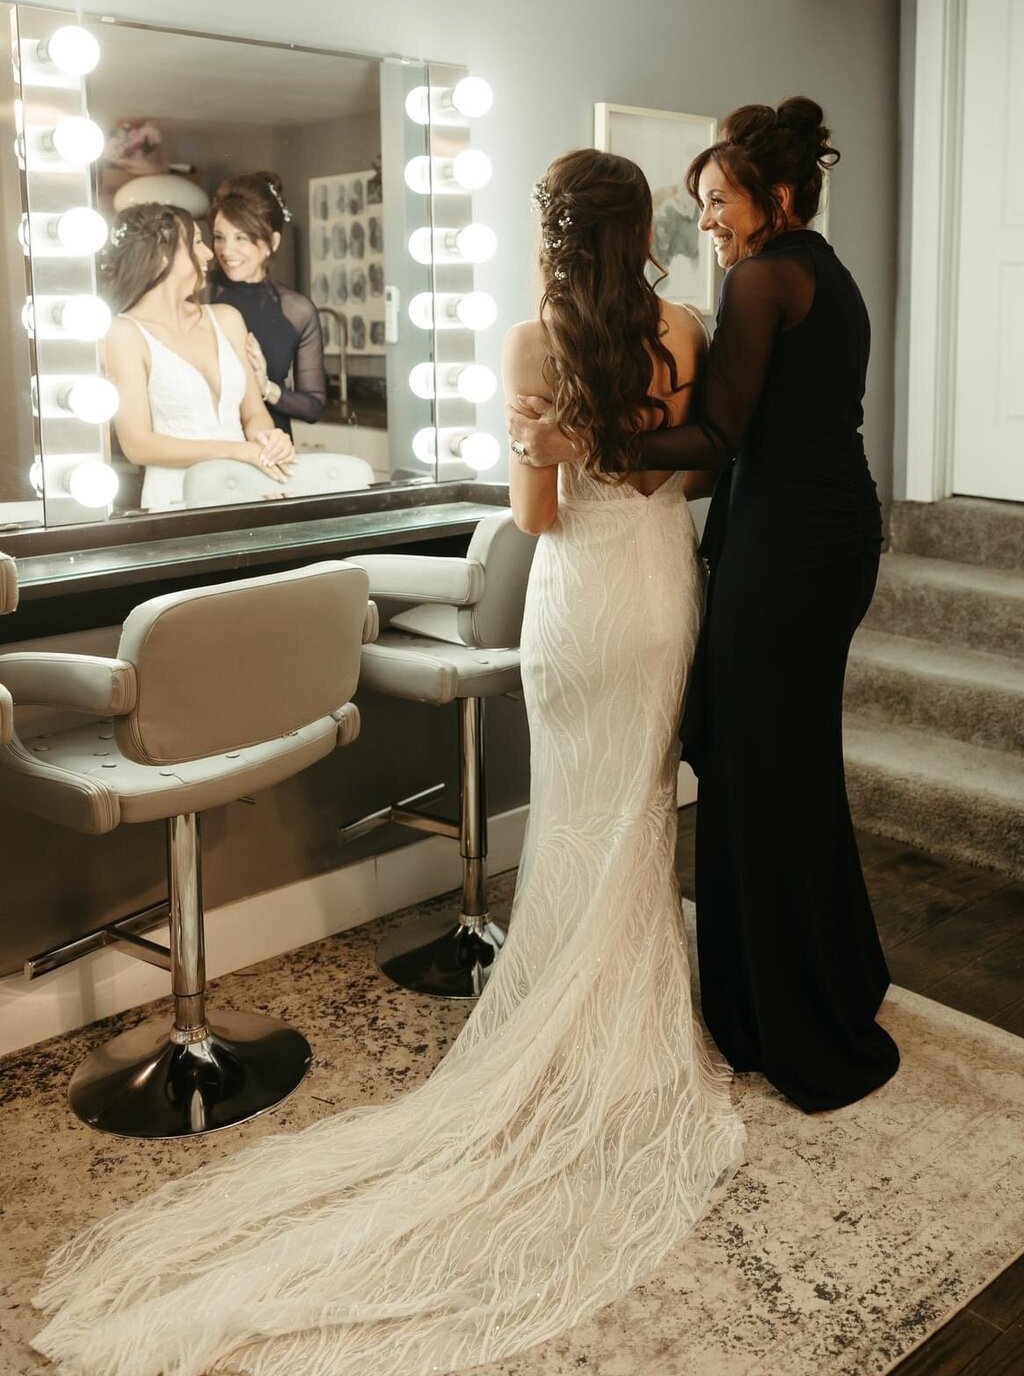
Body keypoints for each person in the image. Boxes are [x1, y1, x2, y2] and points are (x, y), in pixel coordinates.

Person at [31, 151, 744, 1376]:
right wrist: (621, 446)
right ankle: (628, 1033)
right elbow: (684, 469)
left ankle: (572, 1032)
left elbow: (536, 519)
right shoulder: (687, 325)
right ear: (650, 231)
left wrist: (558, 442)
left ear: (552, 234)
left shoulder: (533, 341)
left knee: (577, 813)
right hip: (663, 591)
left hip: (580, 604)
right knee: (636, 809)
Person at [510, 97, 900, 1114]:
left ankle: (783, 1017)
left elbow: (716, 440)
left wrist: (573, 448)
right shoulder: (821, 271)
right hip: (819, 533)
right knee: (789, 760)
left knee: (758, 772)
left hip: (792, 545)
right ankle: (832, 974)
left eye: (718, 202)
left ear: (773, 195)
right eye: (694, 207)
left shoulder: (767, 276)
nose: (708, 224)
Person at [102, 203, 296, 510]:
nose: (208, 254)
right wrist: (235, 451)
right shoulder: (124, 333)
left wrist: (270, 440)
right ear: (162, 255)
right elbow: (138, 444)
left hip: (245, 486)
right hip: (177, 495)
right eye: (196, 242)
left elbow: (253, 414)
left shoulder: (227, 319)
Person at [207, 171, 326, 436]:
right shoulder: (198, 293)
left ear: (272, 243)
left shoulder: (297, 310)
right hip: (212, 445)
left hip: (271, 449)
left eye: (242, 238)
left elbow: (314, 406)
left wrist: (265, 388)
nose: (226, 251)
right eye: (219, 237)